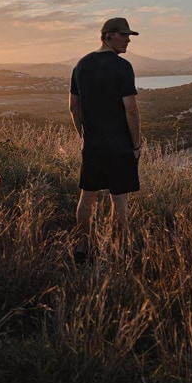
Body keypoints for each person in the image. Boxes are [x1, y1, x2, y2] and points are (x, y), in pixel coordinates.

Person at [69, 16, 142, 264]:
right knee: (119, 201)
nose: (128, 41)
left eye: (129, 36)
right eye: (124, 35)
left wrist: (84, 136)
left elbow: (73, 106)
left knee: (86, 197)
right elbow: (131, 110)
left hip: (93, 146)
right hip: (120, 146)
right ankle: (118, 252)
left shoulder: (81, 65)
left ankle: (82, 247)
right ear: (108, 35)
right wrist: (136, 145)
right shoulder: (123, 67)